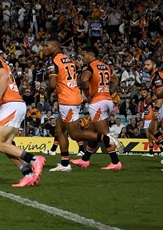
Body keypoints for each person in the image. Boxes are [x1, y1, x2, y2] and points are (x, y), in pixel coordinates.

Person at [0, 35, 45, 187]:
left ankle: (34, 160)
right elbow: (3, 84)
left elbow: (4, 77)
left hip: (11, 104)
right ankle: (28, 174)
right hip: (14, 104)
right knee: (6, 145)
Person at [42, 37, 115, 172]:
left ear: (55, 47)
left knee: (75, 134)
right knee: (59, 130)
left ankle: (105, 138)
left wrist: (47, 93)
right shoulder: (68, 59)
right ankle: (65, 163)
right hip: (73, 96)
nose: (44, 48)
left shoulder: (54, 62)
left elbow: (52, 84)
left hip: (67, 100)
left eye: (47, 46)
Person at [71, 44, 122, 169]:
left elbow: (84, 80)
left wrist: (88, 94)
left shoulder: (89, 66)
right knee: (93, 131)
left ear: (91, 55)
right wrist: (109, 92)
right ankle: (85, 159)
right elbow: (115, 81)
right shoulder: (106, 67)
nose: (82, 58)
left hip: (97, 102)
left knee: (104, 135)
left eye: (84, 55)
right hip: (107, 100)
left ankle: (115, 162)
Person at [141, 57, 163, 162]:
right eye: (145, 65)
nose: (145, 66)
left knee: (153, 129)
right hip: (160, 105)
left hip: (161, 105)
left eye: (148, 64)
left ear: (154, 65)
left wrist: (156, 109)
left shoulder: (157, 76)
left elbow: (161, 93)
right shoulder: (154, 77)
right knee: (152, 130)